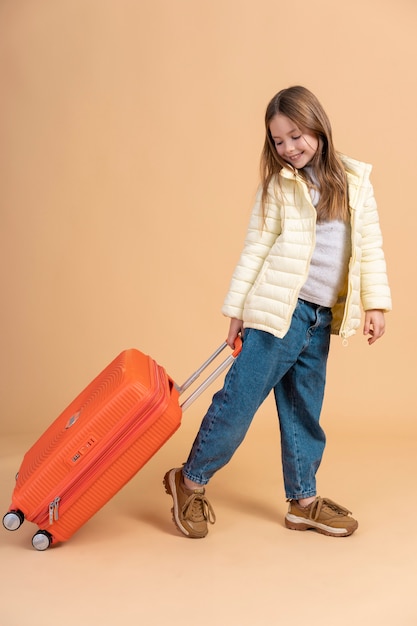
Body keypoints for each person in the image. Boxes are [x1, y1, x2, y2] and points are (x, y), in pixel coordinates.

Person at [163, 85, 392, 539]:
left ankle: (303, 501)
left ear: (317, 128)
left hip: (320, 319)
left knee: (304, 411)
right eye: (278, 140)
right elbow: (255, 250)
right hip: (275, 316)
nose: (288, 148)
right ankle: (188, 481)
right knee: (237, 404)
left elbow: (370, 248)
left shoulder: (355, 181)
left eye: (295, 135)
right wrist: (236, 312)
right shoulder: (278, 187)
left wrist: (376, 303)